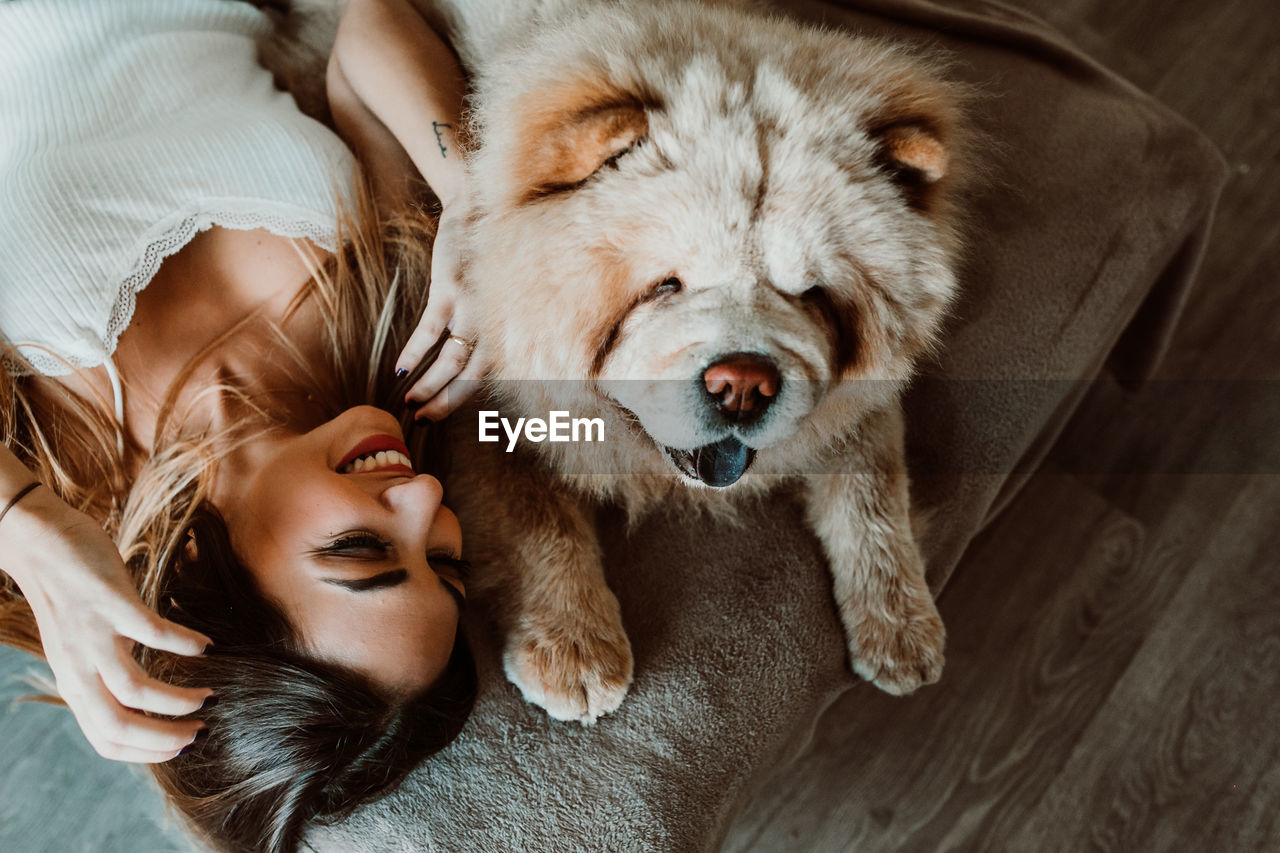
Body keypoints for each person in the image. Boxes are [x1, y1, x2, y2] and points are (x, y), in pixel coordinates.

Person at [0, 0, 484, 850]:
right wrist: (481, 199)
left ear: (213, 587)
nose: (426, 496)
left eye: (364, 550)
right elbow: (369, 32)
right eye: (442, 557)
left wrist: (23, 525)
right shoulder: (394, 337)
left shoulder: (59, 461)